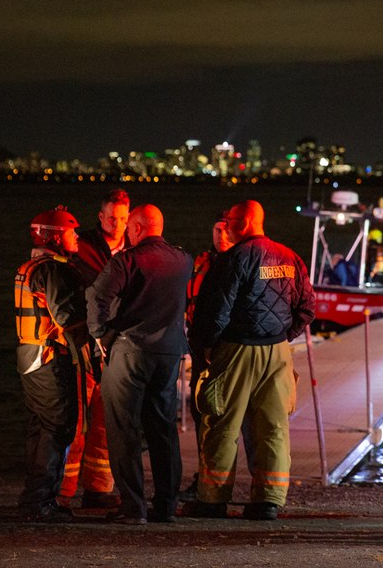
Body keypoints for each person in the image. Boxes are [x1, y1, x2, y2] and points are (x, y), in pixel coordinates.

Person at [189, 200, 314, 521]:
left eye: (229, 221)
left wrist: (206, 347)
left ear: (243, 223)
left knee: (221, 424)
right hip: (278, 353)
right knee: (274, 427)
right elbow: (307, 307)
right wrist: (284, 336)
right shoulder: (290, 257)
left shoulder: (233, 260)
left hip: (236, 350)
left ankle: (213, 499)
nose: (225, 226)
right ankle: (268, 501)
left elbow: (216, 310)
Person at [87, 204, 192, 525]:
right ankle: (166, 506)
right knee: (163, 431)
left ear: (136, 228)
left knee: (124, 429)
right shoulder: (183, 260)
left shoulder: (126, 260)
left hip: (131, 351)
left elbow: (96, 298)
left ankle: (133, 508)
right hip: (169, 353)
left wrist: (101, 336)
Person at [58, 189, 130, 510]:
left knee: (106, 420)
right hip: (84, 345)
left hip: (120, 347)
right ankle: (61, 488)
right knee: (74, 418)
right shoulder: (83, 245)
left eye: (124, 218)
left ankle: (98, 489)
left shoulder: (136, 248)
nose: (118, 224)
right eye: (112, 218)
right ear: (101, 217)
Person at [14, 206, 86, 523]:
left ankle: (36, 497)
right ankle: (40, 501)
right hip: (48, 358)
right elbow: (68, 318)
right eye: (71, 232)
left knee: (39, 426)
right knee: (58, 424)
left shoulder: (30, 267)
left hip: (30, 357)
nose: (77, 236)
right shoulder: (54, 271)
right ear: (55, 237)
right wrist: (89, 354)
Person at [180, 215, 234, 501]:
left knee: (229, 417)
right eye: (217, 230)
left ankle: (222, 483)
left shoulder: (240, 263)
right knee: (202, 411)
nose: (221, 236)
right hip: (200, 347)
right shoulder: (201, 263)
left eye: (227, 231)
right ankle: (205, 478)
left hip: (231, 348)